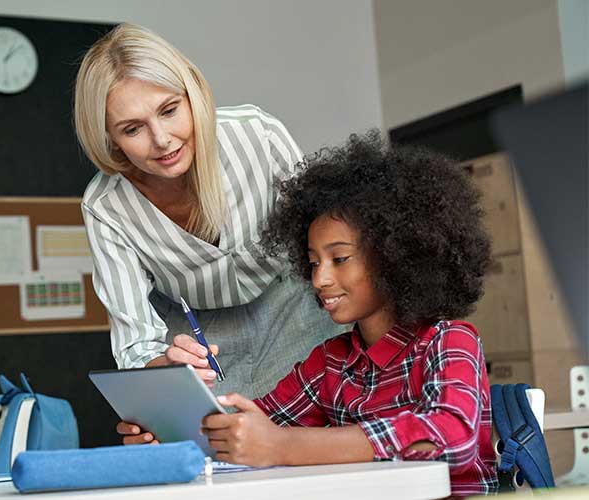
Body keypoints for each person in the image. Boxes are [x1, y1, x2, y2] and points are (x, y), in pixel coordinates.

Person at [127, 132, 499, 497]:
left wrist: (284, 447)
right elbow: (254, 428)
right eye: (312, 262)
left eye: (339, 259)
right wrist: (170, 431)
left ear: (395, 254)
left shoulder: (447, 341)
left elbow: (451, 437)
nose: (320, 279)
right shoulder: (329, 363)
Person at [74, 23, 340, 401]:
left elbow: (329, 241)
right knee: (220, 451)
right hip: (199, 340)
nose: (162, 139)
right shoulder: (106, 207)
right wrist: (166, 370)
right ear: (110, 138)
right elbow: (136, 343)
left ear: (192, 93)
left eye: (169, 110)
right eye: (133, 129)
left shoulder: (258, 137)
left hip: (296, 312)